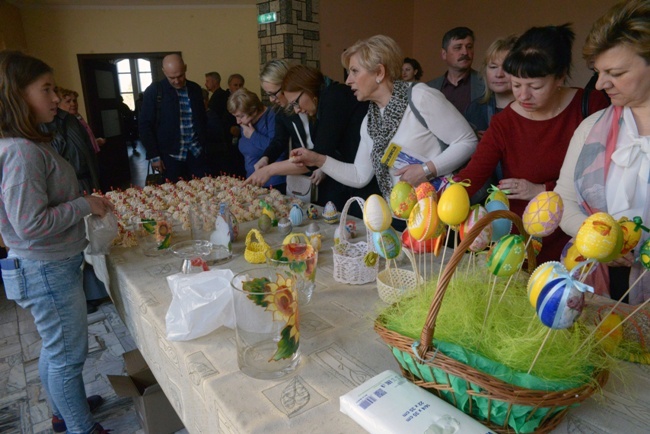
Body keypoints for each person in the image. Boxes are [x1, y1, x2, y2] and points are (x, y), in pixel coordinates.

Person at [0, 50, 114, 434]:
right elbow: (29, 223)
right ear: (16, 95)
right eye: (45, 89)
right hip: (45, 268)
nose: (54, 98)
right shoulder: (20, 152)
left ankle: (66, 411)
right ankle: (81, 427)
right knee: (67, 356)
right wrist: (84, 204)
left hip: (47, 265)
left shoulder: (27, 143)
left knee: (57, 349)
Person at [455, 24, 610, 264]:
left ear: (559, 77)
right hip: (523, 239)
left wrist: (543, 189)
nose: (523, 96)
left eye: (535, 87)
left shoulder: (591, 106)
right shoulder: (504, 123)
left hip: (579, 234)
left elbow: (605, 178)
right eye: (516, 85)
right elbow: (472, 174)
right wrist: (443, 197)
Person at [290, 35, 477, 214]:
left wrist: (426, 170)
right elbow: (359, 175)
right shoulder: (370, 120)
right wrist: (317, 160)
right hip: (399, 216)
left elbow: (467, 141)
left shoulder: (420, 97)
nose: (348, 80)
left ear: (379, 72)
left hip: (438, 213)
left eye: (355, 71)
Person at [555, 0, 650, 303]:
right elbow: (564, 202)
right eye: (597, 71)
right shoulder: (591, 129)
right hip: (599, 279)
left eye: (616, 72)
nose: (599, 84)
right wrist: (599, 242)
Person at [246, 60, 321, 194]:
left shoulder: (316, 104)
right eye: (267, 94)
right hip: (306, 170)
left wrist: (322, 165)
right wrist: (266, 158)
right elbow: (279, 140)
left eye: (273, 94)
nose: (271, 99)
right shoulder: (281, 111)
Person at [138, 53, 208, 182]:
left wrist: (204, 145)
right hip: (169, 158)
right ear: (164, 72)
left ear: (185, 68)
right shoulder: (154, 91)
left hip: (196, 153)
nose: (177, 81)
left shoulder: (195, 89)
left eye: (180, 76)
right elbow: (145, 125)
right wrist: (154, 155)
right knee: (174, 197)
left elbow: (202, 119)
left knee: (202, 193)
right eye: (172, 77)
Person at [227, 88, 285, 190]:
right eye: (235, 116)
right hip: (254, 181)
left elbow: (277, 148)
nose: (238, 121)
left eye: (240, 116)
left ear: (253, 111)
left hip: (274, 183)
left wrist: (253, 135)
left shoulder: (272, 116)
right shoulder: (246, 121)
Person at [464, 35, 518, 138]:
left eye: (507, 68)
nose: (499, 74)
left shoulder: (532, 108)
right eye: (493, 67)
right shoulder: (474, 109)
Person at [427, 27, 486, 114]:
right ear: (444, 54)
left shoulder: (486, 84)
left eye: (469, 47)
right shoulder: (429, 88)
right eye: (458, 48)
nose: (465, 52)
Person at [57, 88, 105, 152]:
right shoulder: (63, 123)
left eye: (75, 101)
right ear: (58, 105)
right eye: (68, 101)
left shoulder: (78, 116)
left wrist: (95, 142)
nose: (73, 104)